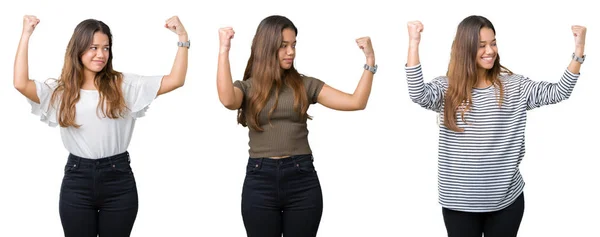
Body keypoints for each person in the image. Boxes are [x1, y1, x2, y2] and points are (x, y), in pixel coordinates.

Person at [405, 15, 586, 237]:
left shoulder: (516, 87)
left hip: (506, 202)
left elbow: (559, 91)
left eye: (493, 43)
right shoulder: (447, 89)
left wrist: (578, 52)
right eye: (481, 46)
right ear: (465, 49)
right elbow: (417, 93)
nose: (490, 51)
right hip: (459, 203)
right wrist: (413, 43)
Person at [13, 15, 189, 237]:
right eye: (93, 47)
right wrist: (26, 35)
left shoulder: (123, 84)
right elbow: (20, 83)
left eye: (106, 48)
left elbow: (175, 80)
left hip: (118, 180)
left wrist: (183, 38)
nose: (101, 54)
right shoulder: (62, 92)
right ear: (78, 49)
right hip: (77, 180)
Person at [216, 15, 376, 237]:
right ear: (267, 47)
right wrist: (224, 50)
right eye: (283, 46)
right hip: (260, 180)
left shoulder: (304, 84)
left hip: (302, 180)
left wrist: (370, 61)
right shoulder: (248, 88)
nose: (290, 51)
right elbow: (227, 99)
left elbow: (356, 102)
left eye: (293, 45)